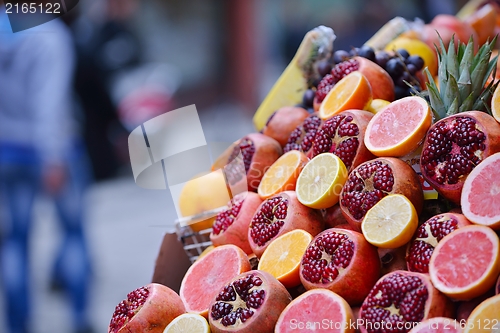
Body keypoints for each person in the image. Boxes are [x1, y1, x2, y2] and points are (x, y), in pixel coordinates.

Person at [0, 5, 93, 333]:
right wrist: (52, 155)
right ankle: (80, 319)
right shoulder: (49, 35)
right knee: (73, 233)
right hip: (55, 149)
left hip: (7, 150)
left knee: (13, 242)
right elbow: (50, 103)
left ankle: (16, 324)